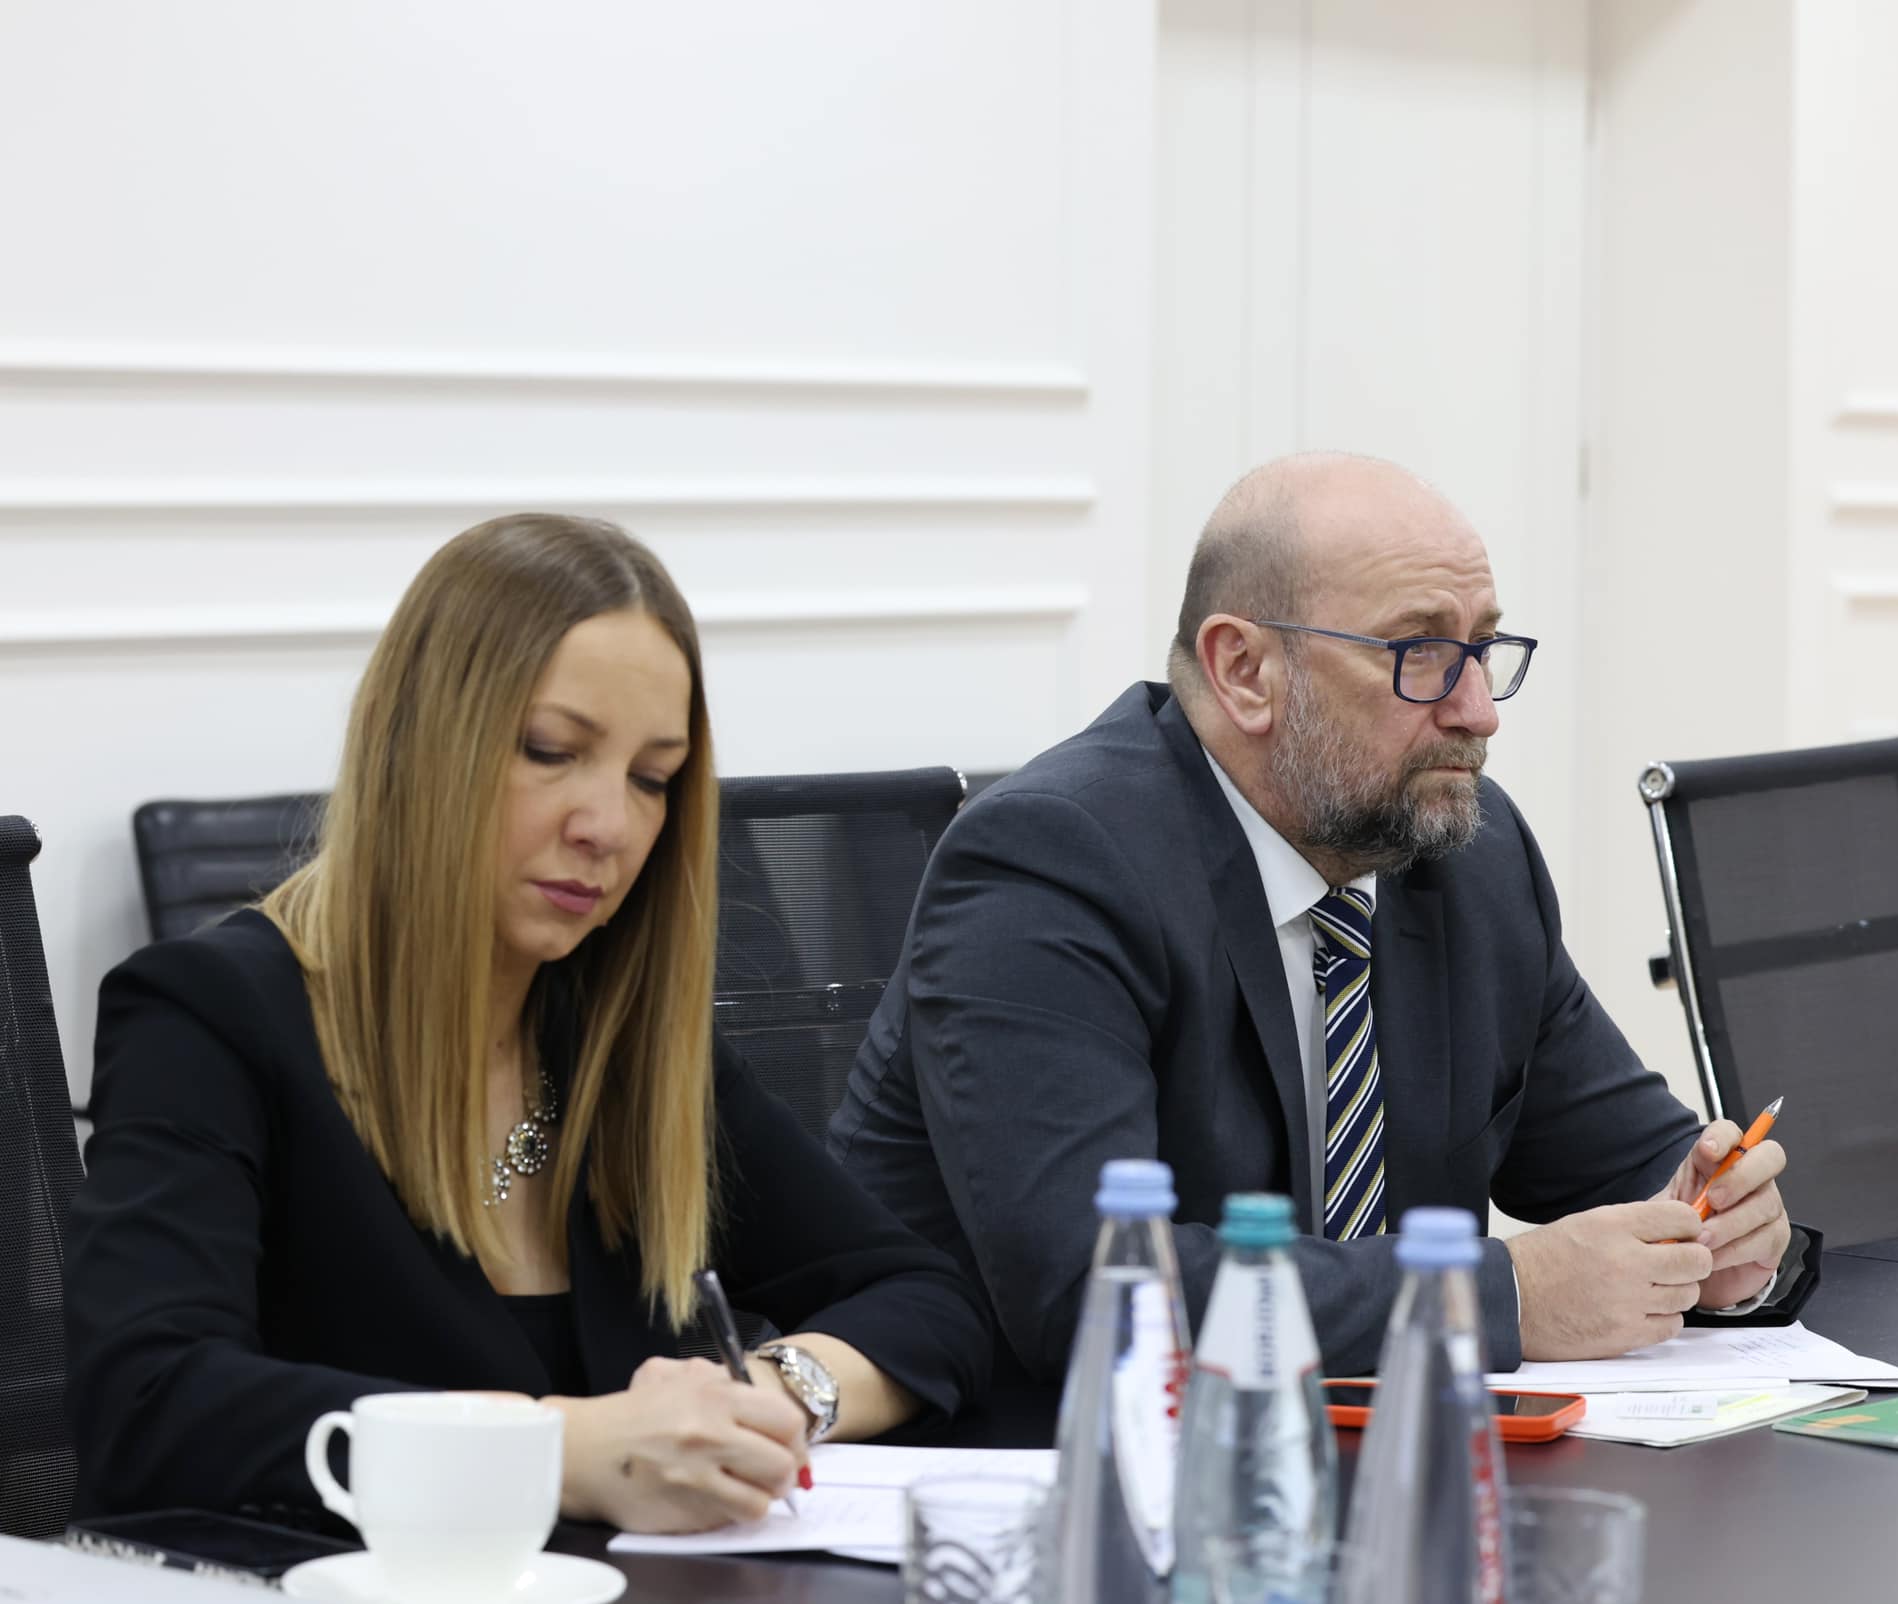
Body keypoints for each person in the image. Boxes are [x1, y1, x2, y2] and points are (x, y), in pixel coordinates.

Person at [66, 513, 992, 1533]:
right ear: (419, 744)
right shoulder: (208, 1015)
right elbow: (149, 1404)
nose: (609, 825)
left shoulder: (615, 1037)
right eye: (552, 751)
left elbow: (923, 1296)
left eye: (652, 778)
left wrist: (769, 1397)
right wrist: (561, 1449)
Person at [830, 452, 1792, 1387]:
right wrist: (1500, 1296)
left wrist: (1719, 1232)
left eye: (1482, 651)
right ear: (1245, 669)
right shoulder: (1053, 863)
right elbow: (1092, 1291)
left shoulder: (1469, 852)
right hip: (1042, 1457)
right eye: (1420, 653)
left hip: (1376, 1450)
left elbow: (1636, 1166)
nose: (1478, 711)